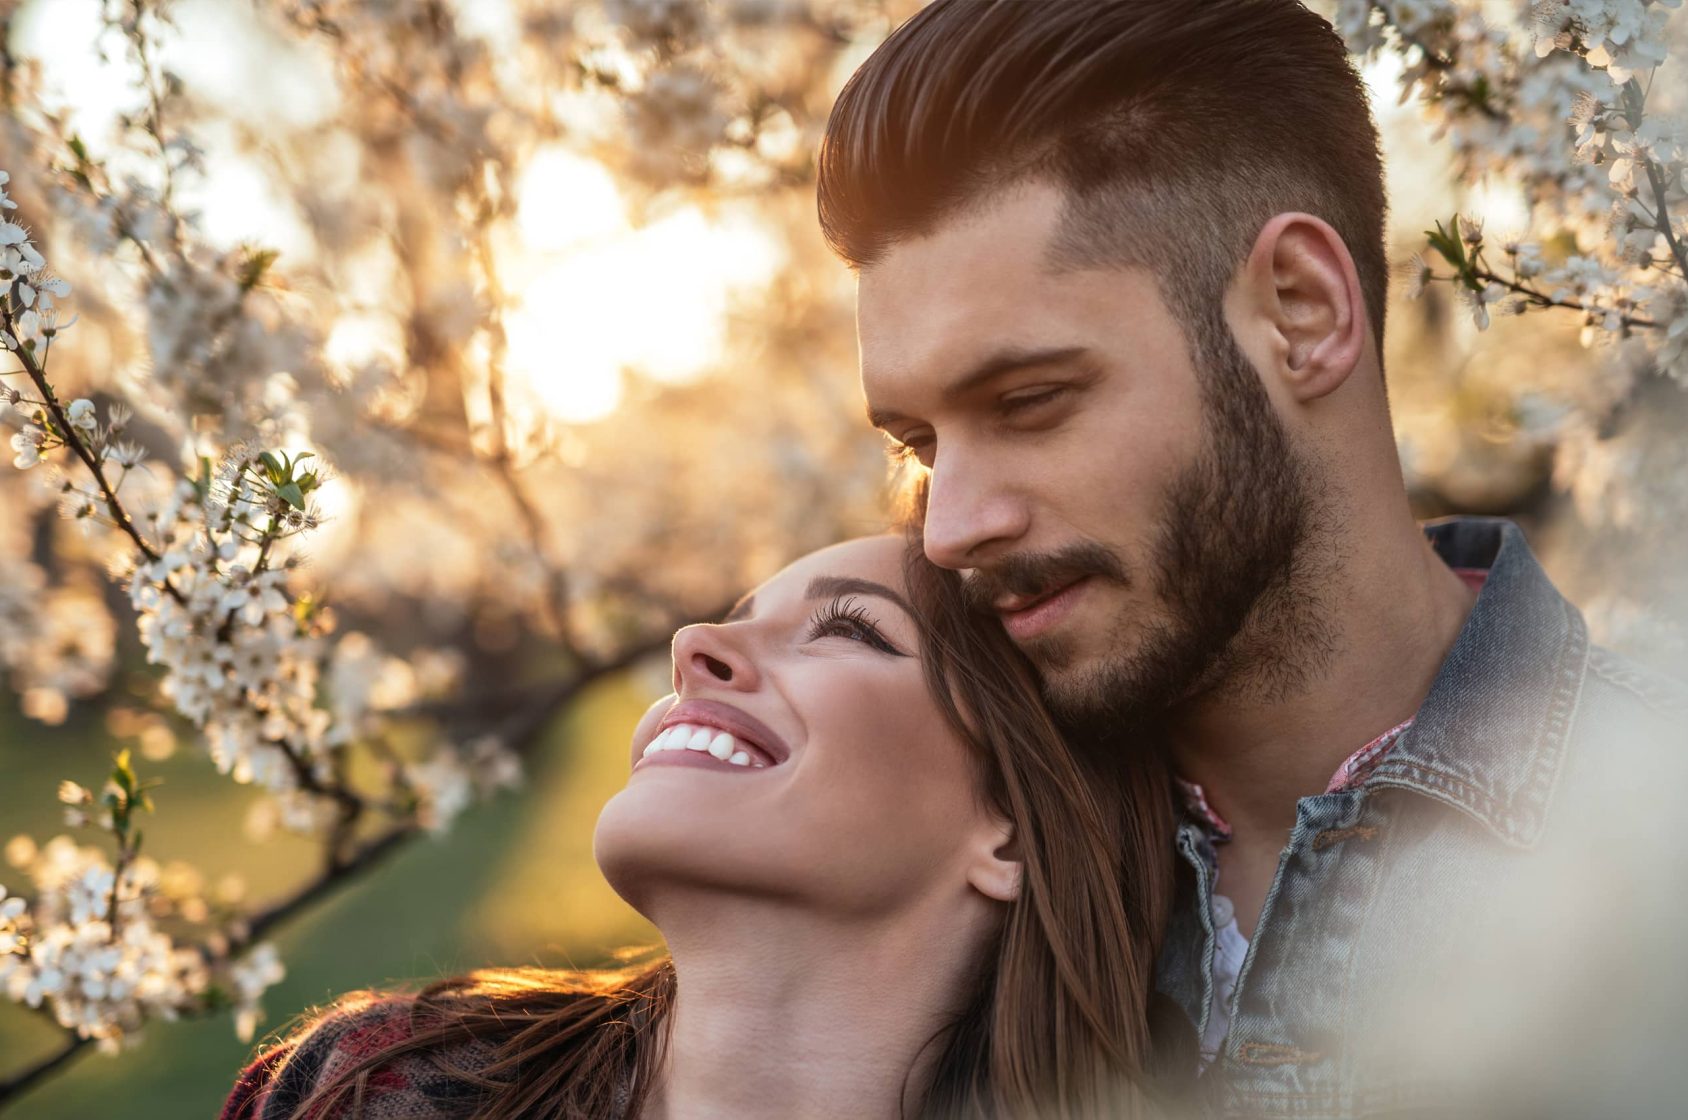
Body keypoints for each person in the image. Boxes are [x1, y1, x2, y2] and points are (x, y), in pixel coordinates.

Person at [821, 1, 1688, 1116]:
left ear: (1300, 311)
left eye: (1028, 401)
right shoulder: (946, 877)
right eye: (920, 444)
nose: (950, 527)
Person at [220, 534, 1184, 1120]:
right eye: (732, 617)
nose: (694, 647)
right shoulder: (379, 1089)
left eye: (849, 630)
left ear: (1009, 833)